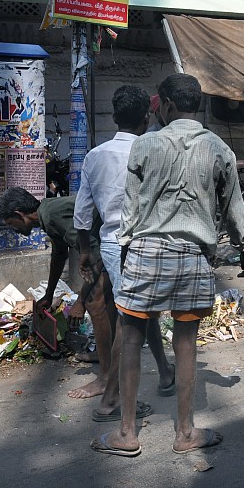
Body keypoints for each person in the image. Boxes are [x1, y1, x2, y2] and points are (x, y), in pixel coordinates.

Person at [90, 73, 244, 457]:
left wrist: (126, 249)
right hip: (193, 257)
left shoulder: (145, 144)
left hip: (145, 252)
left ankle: (127, 434)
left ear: (164, 104)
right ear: (198, 104)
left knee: (130, 339)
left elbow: (131, 205)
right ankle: (185, 433)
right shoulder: (218, 148)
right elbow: (233, 206)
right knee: (187, 345)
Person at [74, 84, 175, 423]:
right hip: (148, 242)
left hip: (112, 245)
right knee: (132, 322)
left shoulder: (95, 156)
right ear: (147, 116)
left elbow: (83, 216)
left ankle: (163, 371)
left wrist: (86, 253)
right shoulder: (156, 151)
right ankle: (110, 398)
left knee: (139, 315)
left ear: (114, 117)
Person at [0, 187, 114, 399]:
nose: (15, 230)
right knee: (108, 304)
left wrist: (80, 302)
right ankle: (107, 355)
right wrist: (48, 294)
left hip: (112, 244)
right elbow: (59, 256)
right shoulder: (47, 214)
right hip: (108, 243)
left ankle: (106, 379)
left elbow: (94, 254)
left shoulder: (51, 215)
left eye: (11, 224)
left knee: (95, 304)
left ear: (20, 214)